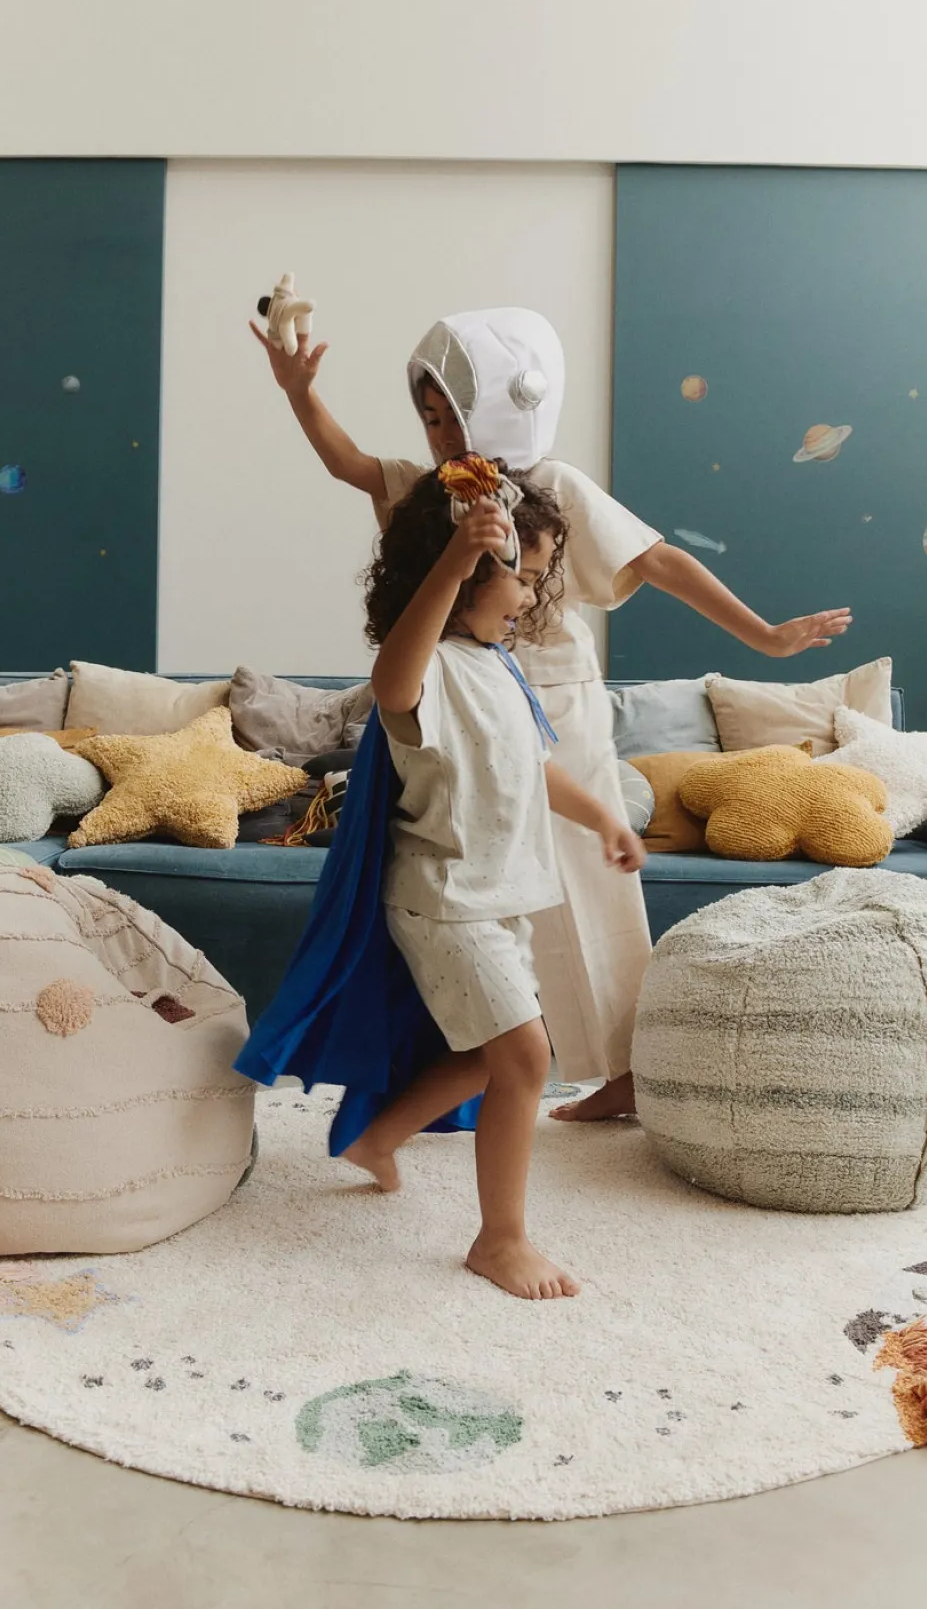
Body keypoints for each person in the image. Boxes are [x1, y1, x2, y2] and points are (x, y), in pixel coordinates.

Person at [251, 304, 852, 1122]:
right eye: (428, 418)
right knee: (456, 880)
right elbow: (350, 463)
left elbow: (659, 560)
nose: (438, 434)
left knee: (589, 884)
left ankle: (625, 1067)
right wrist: (298, 391)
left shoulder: (555, 487)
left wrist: (764, 636)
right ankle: (450, 1069)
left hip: (552, 698)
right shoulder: (435, 497)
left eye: (450, 415)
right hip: (459, 695)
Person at [316, 456, 644, 1299]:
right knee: (528, 1057)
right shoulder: (428, 667)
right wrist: (457, 557)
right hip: (446, 902)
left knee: (481, 1059)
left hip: (501, 899)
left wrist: (603, 819)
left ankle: (376, 1139)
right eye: (522, 578)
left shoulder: (500, 665)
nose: (531, 598)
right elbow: (392, 680)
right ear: (463, 569)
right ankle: (500, 1239)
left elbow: (535, 767)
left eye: (538, 580)